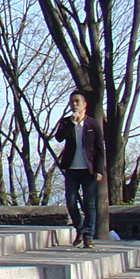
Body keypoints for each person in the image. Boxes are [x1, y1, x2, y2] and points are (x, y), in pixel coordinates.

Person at [54, 88, 106, 249]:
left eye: (77, 102)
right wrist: (71, 122)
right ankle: (80, 227)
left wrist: (99, 170)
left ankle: (88, 235)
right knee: (70, 202)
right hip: (72, 168)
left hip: (88, 169)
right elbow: (59, 137)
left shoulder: (92, 124)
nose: (74, 104)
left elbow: (99, 148)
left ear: (84, 105)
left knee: (89, 204)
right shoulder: (66, 122)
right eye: (72, 102)